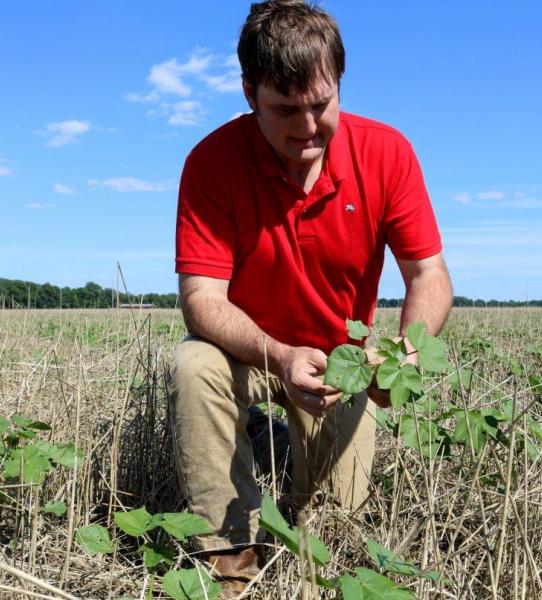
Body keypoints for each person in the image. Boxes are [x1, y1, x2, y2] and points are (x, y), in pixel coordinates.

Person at [169, 0, 453, 592]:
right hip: (248, 350)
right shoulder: (211, 163)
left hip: (338, 364)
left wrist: (398, 355)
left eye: (321, 106)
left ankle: (283, 467)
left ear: (340, 86)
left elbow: (428, 275)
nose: (306, 127)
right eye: (284, 109)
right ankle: (231, 560)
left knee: (330, 527)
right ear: (249, 93)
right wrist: (278, 355)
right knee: (193, 363)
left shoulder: (387, 153)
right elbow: (201, 299)